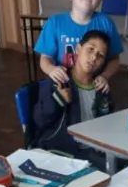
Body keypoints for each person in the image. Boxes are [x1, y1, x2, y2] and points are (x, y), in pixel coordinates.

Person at [34, 0, 122, 94]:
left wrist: (104, 76)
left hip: (93, 88)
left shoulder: (105, 23)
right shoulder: (55, 22)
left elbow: (115, 59)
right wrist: (52, 70)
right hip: (64, 88)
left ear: (100, 0)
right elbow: (45, 59)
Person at [31, 30, 114, 159]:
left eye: (100, 55)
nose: (93, 58)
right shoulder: (59, 81)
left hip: (95, 150)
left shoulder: (100, 88)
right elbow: (40, 120)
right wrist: (58, 100)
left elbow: (109, 121)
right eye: (90, 49)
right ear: (78, 49)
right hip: (65, 153)